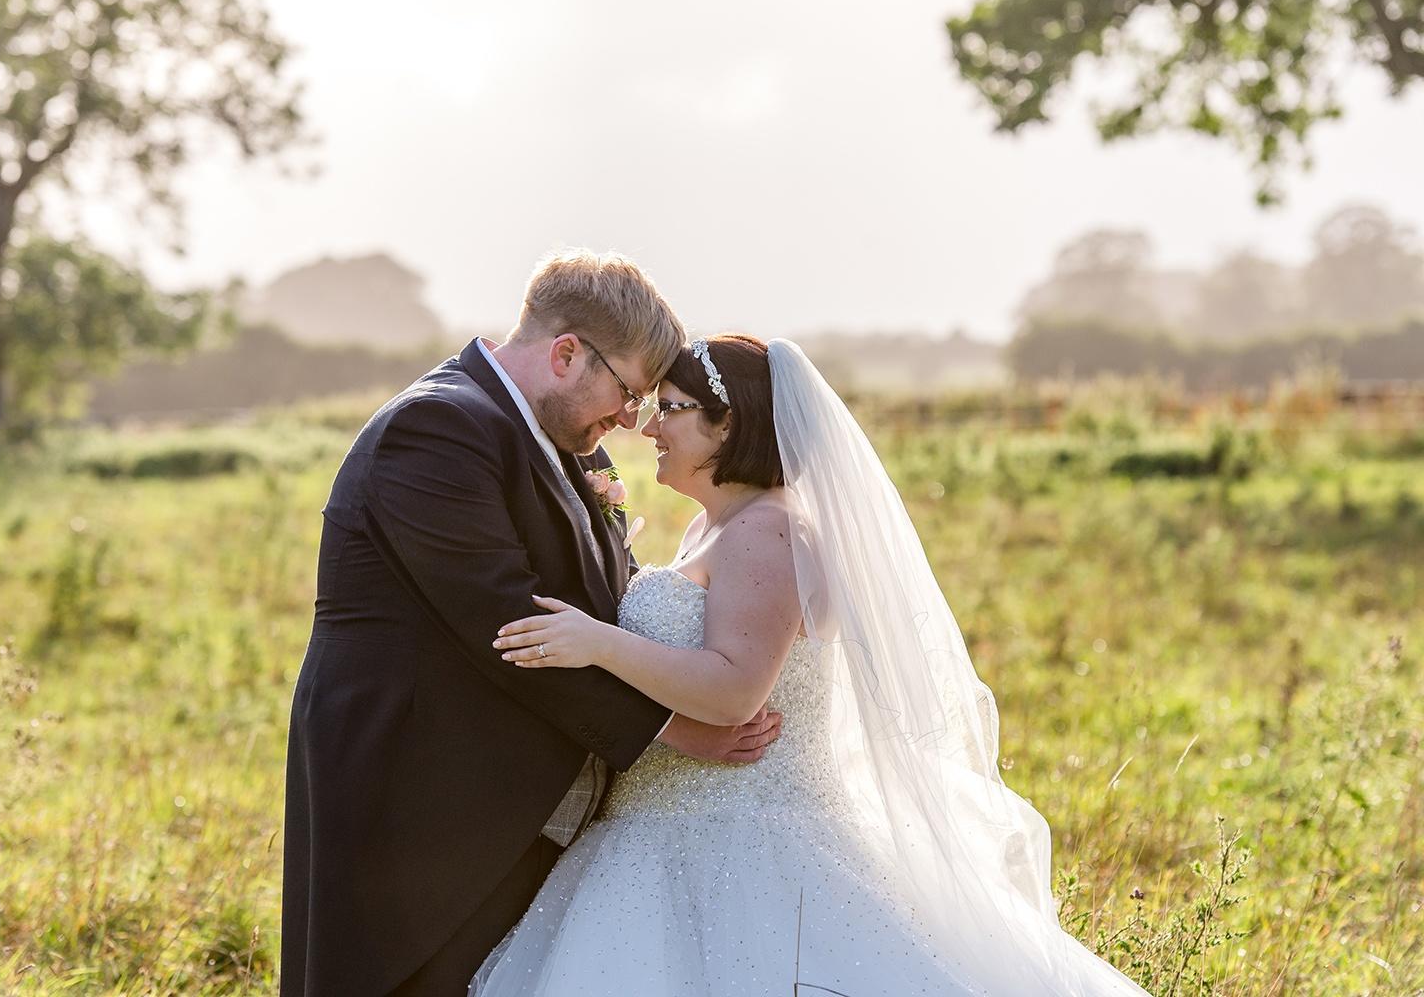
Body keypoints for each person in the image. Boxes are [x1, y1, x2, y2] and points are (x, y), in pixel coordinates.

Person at [472, 334, 1150, 995]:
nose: (649, 427)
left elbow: (735, 689)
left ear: (728, 425)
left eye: (671, 408)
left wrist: (598, 642)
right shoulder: (709, 527)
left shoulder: (770, 529)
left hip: (743, 841)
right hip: (658, 834)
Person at [279, 253, 784, 997]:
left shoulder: (562, 439)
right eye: (627, 393)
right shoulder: (438, 428)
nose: (628, 420)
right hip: (417, 803)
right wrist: (674, 729)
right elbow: (507, 625)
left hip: (508, 804)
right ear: (567, 352)